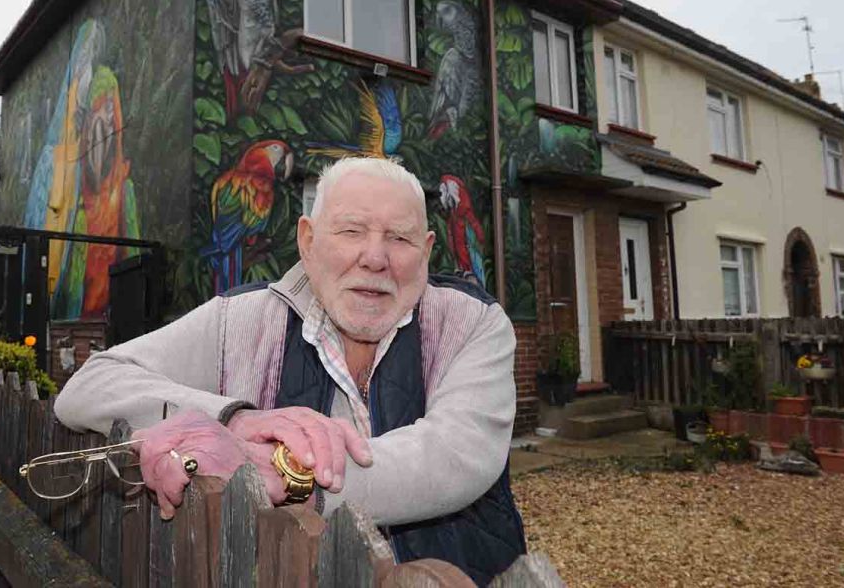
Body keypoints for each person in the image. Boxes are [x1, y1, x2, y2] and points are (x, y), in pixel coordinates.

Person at [54, 156, 526, 584]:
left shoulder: (472, 323)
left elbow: (455, 455)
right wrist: (231, 419)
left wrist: (292, 472)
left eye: (399, 238)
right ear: (308, 240)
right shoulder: (240, 320)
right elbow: (89, 384)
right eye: (351, 231)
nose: (376, 257)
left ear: (425, 251)